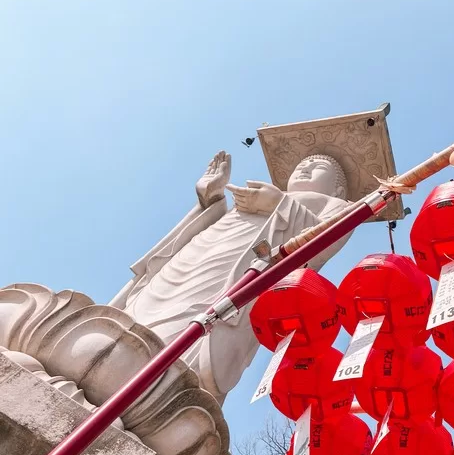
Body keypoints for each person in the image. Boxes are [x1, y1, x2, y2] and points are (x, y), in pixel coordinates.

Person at [111, 151, 352, 402]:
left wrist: (279, 204)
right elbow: (203, 228)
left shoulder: (335, 206)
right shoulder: (257, 196)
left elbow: (324, 241)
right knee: (140, 316)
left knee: (183, 339)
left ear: (338, 191)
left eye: (319, 166)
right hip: (201, 253)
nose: (305, 168)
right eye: (303, 163)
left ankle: (156, 394)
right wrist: (210, 199)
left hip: (235, 278)